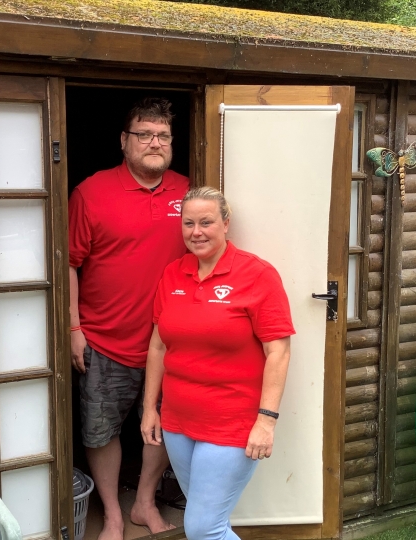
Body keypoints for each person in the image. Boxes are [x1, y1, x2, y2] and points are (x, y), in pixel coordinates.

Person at [140, 187, 294, 540]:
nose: (197, 232)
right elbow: (158, 346)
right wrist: (151, 408)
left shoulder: (257, 275)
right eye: (188, 223)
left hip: (231, 423)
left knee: (202, 528)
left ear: (226, 223)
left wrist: (266, 422)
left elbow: (279, 353)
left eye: (206, 222)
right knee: (208, 517)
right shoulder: (173, 274)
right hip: (178, 422)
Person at [68, 97, 188, 540]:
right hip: (105, 339)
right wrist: (72, 328)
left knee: (165, 427)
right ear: (124, 141)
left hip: (172, 342)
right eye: (144, 134)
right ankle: (112, 515)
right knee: (101, 431)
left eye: (163, 136)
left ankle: (142, 503)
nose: (155, 143)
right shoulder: (91, 192)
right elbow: (69, 264)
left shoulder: (187, 192)